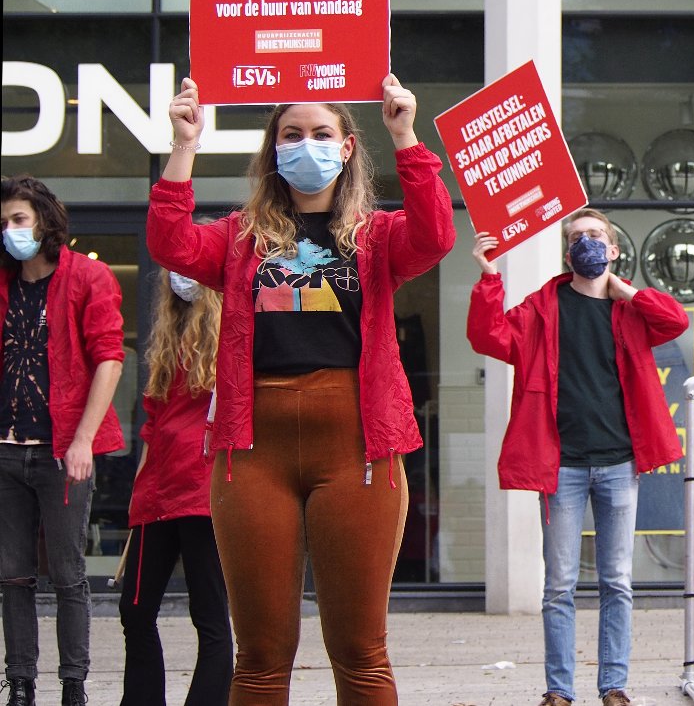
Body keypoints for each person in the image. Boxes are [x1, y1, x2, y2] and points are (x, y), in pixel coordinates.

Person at [146, 76, 455, 705]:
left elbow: (436, 236)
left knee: (361, 653)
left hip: (358, 447)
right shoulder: (238, 237)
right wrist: (184, 146)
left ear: (345, 149)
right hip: (252, 448)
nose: (305, 145)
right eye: (292, 134)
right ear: (272, 150)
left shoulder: (376, 235)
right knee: (258, 658)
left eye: (321, 134)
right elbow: (169, 243)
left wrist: (405, 134)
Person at [467, 209, 687, 706]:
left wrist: (624, 290)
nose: (585, 243)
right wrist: (488, 277)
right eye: (576, 239)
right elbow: (489, 337)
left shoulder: (631, 309)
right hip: (561, 465)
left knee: (617, 581)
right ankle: (559, 691)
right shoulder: (543, 306)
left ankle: (613, 686)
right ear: (567, 255)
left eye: (595, 236)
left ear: (612, 249)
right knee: (559, 586)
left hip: (619, 463)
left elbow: (674, 321)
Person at [1, 175, 125, 706]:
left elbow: (110, 359)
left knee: (70, 575)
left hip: (61, 454)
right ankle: (21, 683)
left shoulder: (88, 277)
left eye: (18, 220)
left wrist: (83, 440)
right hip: (6, 451)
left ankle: (73, 685)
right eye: (3, 223)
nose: (9, 231)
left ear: (45, 222)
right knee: (12, 575)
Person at [119, 267, 232, 706]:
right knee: (135, 609)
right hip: (157, 492)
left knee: (209, 616)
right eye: (175, 271)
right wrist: (137, 492)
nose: (180, 278)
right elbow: (153, 422)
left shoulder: (234, 334)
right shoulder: (168, 336)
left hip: (203, 492)